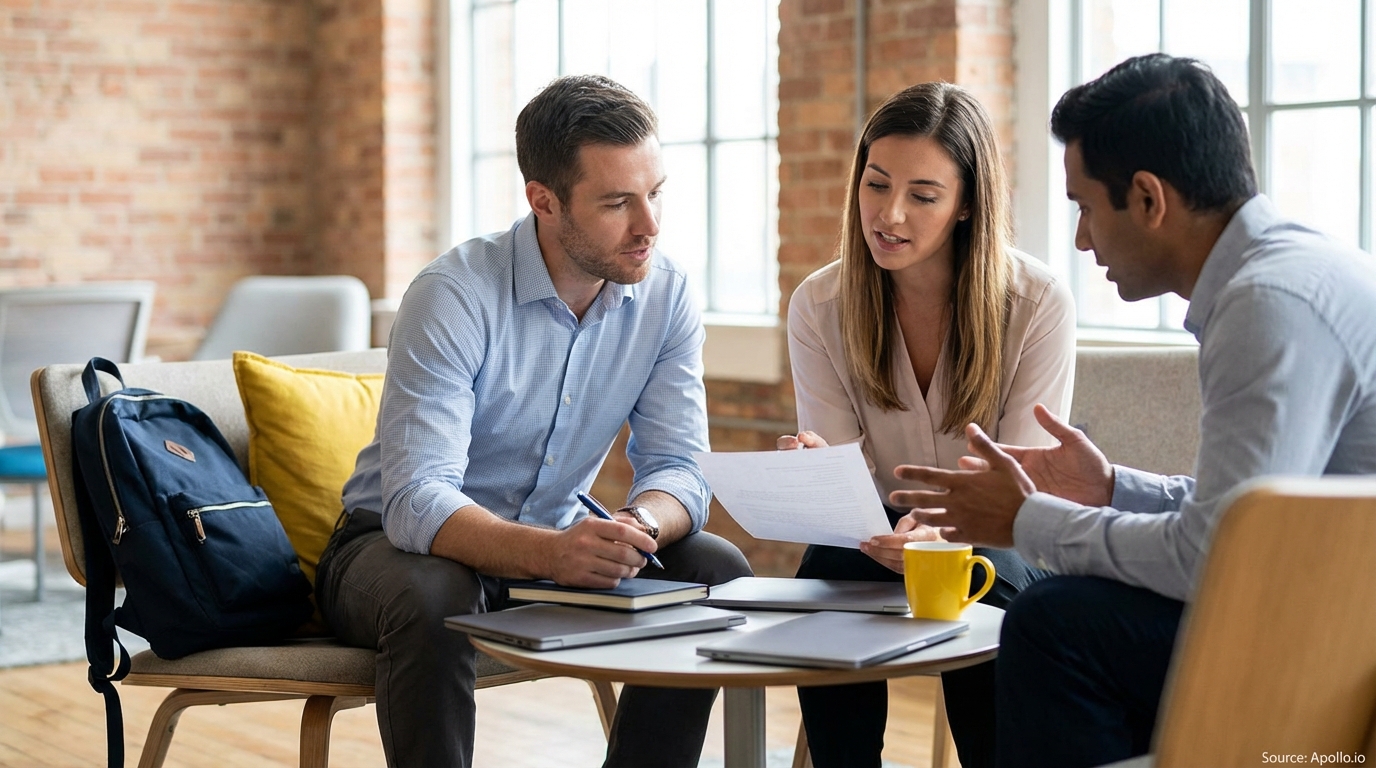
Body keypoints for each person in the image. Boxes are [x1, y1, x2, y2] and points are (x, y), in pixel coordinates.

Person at [889, 54, 1376, 768]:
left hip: (1332, 638)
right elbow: (1256, 513)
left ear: (1148, 199)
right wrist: (1112, 488)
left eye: (1086, 207)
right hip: (1328, 603)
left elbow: (1212, 555)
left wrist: (1026, 521)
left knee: (1055, 623)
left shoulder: (1267, 307)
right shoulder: (1295, 273)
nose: (1082, 239)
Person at [314, 74, 752, 768]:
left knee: (713, 567)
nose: (650, 226)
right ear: (543, 202)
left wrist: (638, 529)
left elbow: (680, 466)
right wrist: (553, 554)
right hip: (393, 554)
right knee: (439, 592)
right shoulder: (453, 295)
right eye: (617, 203)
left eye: (655, 192)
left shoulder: (664, 294)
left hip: (551, 549)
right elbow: (415, 500)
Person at [777, 82, 1076, 768]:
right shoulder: (820, 304)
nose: (889, 213)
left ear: (968, 203)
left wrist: (942, 533)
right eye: (876, 185)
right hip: (872, 535)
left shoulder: (1035, 304)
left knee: (979, 577)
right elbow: (843, 467)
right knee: (823, 573)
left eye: (922, 195)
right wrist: (820, 473)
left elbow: (1019, 479)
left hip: (1000, 533)